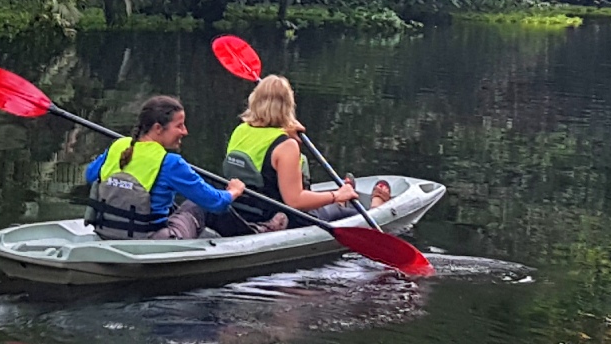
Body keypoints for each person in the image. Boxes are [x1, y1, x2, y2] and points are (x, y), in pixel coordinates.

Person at [86, 95, 284, 239]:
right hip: (152, 239)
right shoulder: (171, 163)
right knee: (197, 204)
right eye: (179, 126)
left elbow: (90, 175)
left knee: (169, 202)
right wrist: (233, 192)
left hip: (106, 232)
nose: (185, 131)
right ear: (157, 128)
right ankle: (258, 233)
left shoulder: (118, 147)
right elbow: (216, 203)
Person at [223, 75, 392, 228]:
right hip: (280, 217)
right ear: (288, 106)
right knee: (341, 212)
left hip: (241, 210)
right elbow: (295, 201)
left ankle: (341, 201)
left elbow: (264, 147)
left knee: (326, 202)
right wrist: (336, 194)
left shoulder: (241, 130)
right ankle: (371, 208)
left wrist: (284, 130)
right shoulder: (286, 146)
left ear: (255, 100)